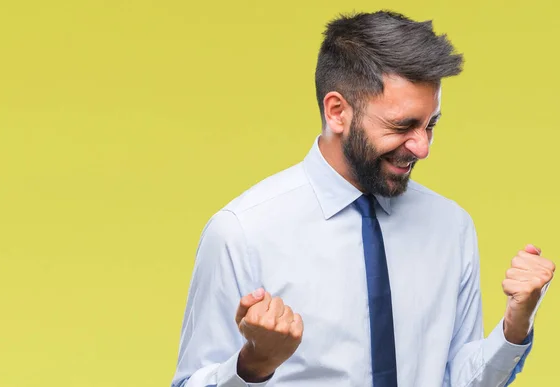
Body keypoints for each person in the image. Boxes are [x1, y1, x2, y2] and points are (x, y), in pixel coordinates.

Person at [170, 10, 555, 387]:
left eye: (430, 125)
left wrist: (514, 326)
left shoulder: (451, 226)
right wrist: (252, 366)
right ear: (337, 112)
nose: (422, 148)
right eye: (402, 125)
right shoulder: (242, 232)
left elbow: (455, 378)